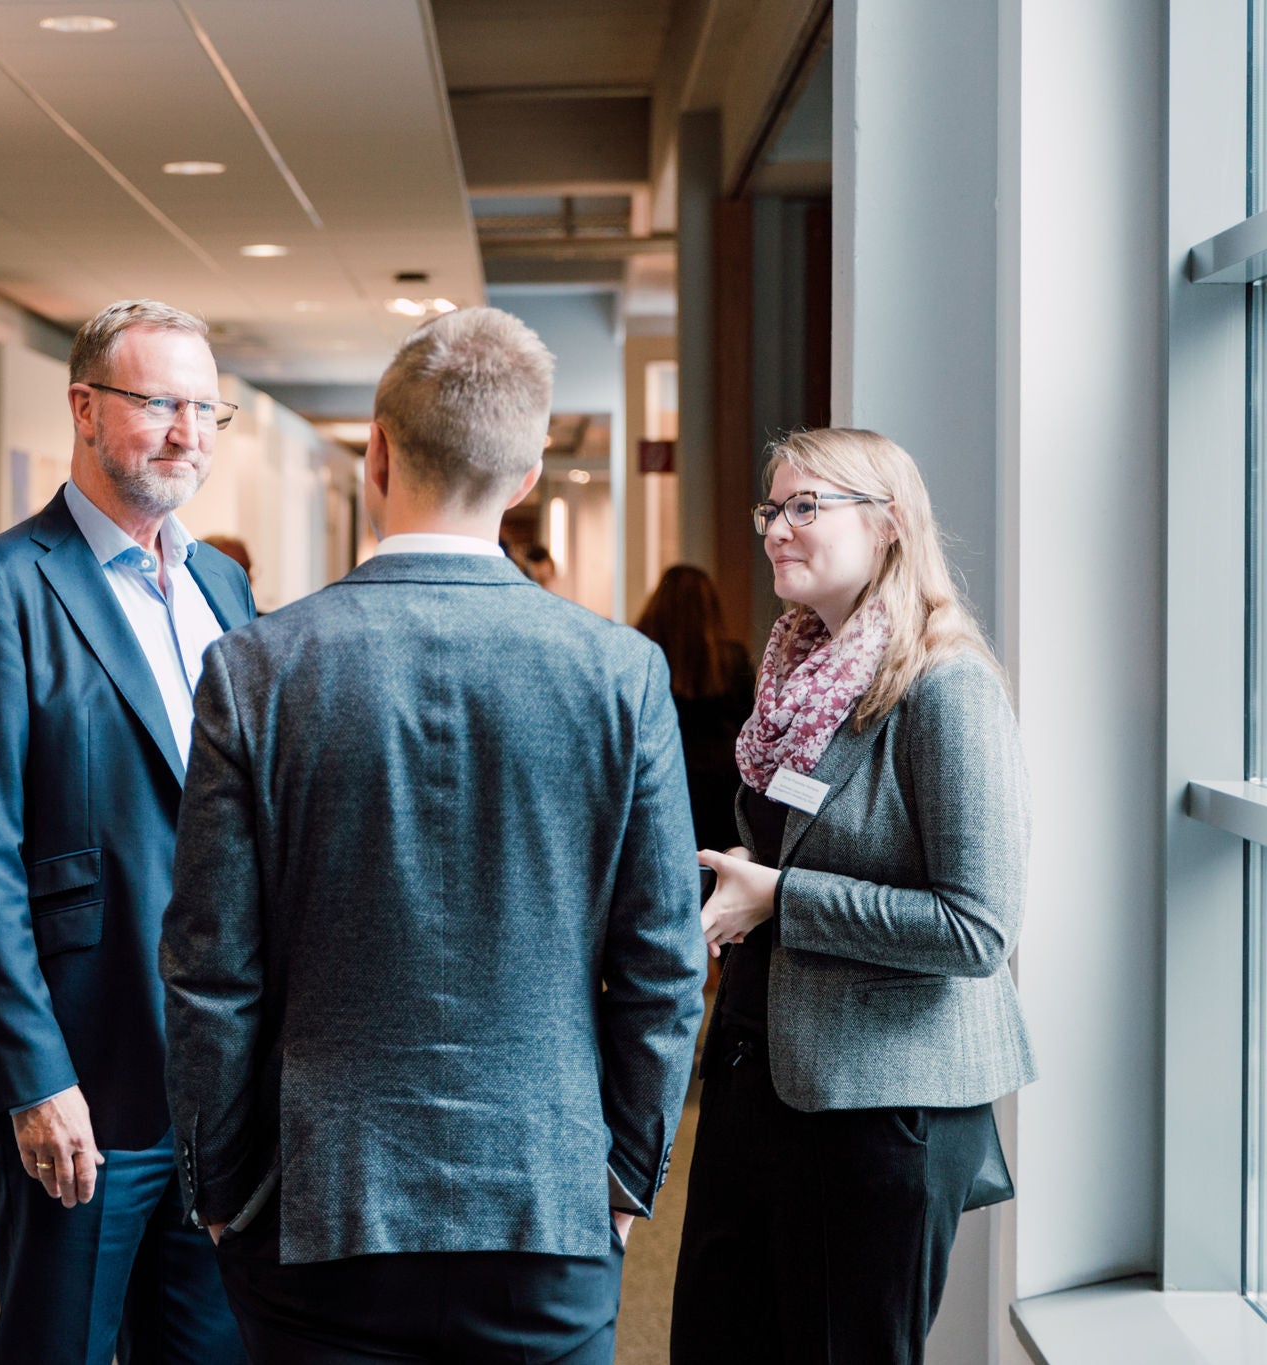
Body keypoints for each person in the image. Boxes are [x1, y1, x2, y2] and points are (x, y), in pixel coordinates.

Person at [162, 306, 708, 1365]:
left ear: (375, 452)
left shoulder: (258, 667)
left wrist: (218, 1182)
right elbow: (661, 964)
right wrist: (628, 1173)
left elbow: (209, 968)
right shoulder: (617, 673)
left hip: (316, 1197)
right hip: (547, 1194)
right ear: (526, 473)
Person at [0, 299, 256, 1365]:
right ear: (84, 407)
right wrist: (30, 1075)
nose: (185, 433)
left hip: (213, 1077)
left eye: (206, 409)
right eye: (158, 403)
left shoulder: (221, 585)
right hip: (80, 1069)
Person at [669, 428, 1037, 1364]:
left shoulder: (946, 689)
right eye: (771, 510)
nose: (776, 530)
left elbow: (976, 926)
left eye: (805, 507)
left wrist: (782, 898)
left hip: (881, 1110)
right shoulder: (795, 678)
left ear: (889, 527)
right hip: (760, 1079)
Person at [635, 565, 756, 853]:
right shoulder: (732, 658)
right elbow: (750, 723)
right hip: (722, 782)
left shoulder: (641, 654)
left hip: (661, 773)